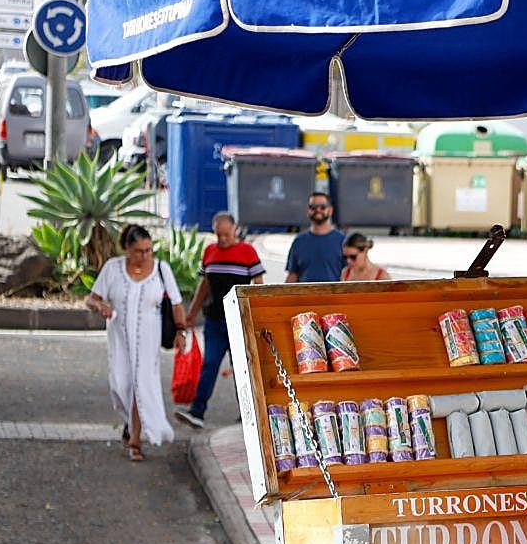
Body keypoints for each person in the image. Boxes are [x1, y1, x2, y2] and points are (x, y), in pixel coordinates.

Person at [87, 225, 191, 463]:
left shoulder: (161, 269)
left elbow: (176, 303)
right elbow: (91, 298)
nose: (144, 256)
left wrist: (181, 331)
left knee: (140, 385)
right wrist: (99, 306)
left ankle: (135, 440)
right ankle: (129, 422)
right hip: (119, 338)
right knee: (120, 383)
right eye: (138, 251)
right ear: (127, 249)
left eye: (148, 250)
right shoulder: (113, 269)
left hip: (149, 337)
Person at [175, 212, 264, 430]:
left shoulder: (247, 252)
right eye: (218, 235)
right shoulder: (210, 252)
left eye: (226, 234)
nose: (222, 239)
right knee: (210, 364)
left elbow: (258, 284)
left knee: (242, 368)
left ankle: (248, 414)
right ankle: (197, 411)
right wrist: (192, 313)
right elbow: (204, 285)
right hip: (214, 320)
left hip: (238, 320)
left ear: (234, 230)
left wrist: (258, 314)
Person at [284, 194, 344, 282]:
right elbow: (292, 276)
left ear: (330, 210)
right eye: (313, 207)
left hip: (334, 295)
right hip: (304, 295)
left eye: (322, 207)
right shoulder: (299, 241)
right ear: (308, 210)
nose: (318, 210)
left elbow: (350, 275)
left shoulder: (343, 241)